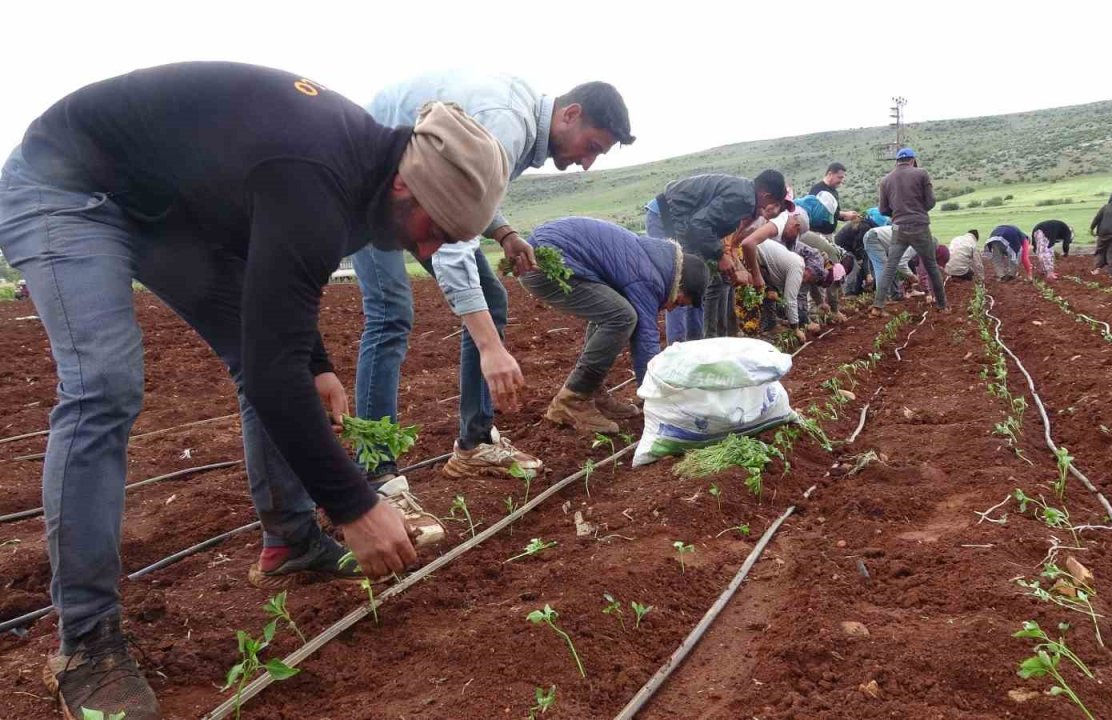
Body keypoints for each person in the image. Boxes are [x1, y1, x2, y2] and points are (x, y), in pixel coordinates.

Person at [0, 62, 510, 719]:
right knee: (104, 383)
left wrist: (319, 362)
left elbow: (279, 274)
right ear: (405, 187)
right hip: (67, 186)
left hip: (167, 213)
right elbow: (275, 359)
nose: (428, 250)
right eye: (434, 231)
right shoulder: (318, 172)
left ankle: (291, 544)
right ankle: (86, 640)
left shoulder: (360, 180)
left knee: (280, 363)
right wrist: (355, 504)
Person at [352, 71, 634, 482]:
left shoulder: (517, 125)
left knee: (492, 296)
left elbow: (472, 195)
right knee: (390, 313)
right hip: (372, 185)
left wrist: (504, 233)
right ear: (570, 114)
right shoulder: (505, 122)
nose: (586, 163)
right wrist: (490, 348)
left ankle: (476, 443)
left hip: (414, 189)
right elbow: (452, 242)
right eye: (591, 147)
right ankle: (376, 476)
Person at [520, 217, 708, 433]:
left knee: (612, 311)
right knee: (622, 316)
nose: (672, 309)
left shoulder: (652, 260)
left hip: (544, 252)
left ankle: (592, 391)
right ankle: (573, 399)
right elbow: (645, 340)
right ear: (679, 284)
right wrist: (659, 401)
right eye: (679, 302)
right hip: (545, 263)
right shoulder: (649, 277)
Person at [644, 171, 788, 340]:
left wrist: (724, 257)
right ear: (766, 195)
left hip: (684, 226)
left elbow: (708, 227)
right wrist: (719, 255)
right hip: (665, 218)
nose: (770, 209)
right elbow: (699, 224)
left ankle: (696, 346)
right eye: (774, 203)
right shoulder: (742, 198)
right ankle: (679, 351)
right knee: (678, 287)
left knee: (697, 285)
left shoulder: (745, 195)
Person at [872, 148, 946, 315]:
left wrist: (898, 214)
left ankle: (878, 306)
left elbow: (883, 209)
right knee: (931, 266)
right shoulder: (921, 174)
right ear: (912, 160)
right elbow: (931, 202)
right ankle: (942, 306)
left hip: (898, 227)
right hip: (920, 225)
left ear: (897, 162)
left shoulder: (885, 180)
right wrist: (919, 210)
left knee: (890, 266)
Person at [756, 235, 827, 341]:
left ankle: (769, 326)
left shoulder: (799, 265)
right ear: (809, 270)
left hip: (758, 256)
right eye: (809, 278)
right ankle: (761, 331)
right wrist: (796, 329)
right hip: (752, 252)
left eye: (809, 281)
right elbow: (790, 300)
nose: (805, 281)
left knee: (770, 296)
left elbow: (770, 271)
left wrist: (771, 288)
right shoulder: (797, 267)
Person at [807, 162, 861, 235]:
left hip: (829, 234)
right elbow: (820, 214)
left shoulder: (834, 192)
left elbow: (835, 214)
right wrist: (845, 214)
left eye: (842, 178)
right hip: (817, 233)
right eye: (839, 177)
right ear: (830, 174)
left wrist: (849, 216)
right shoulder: (817, 189)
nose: (841, 181)